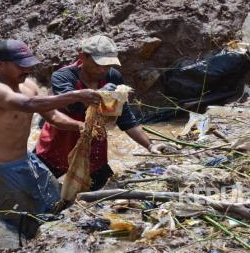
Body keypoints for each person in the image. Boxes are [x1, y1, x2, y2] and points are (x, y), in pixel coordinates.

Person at [0, 39, 100, 238]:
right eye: (20, 66)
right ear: (0, 64)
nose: (26, 70)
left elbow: (53, 117)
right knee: (20, 228)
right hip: (4, 171)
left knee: (58, 206)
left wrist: (82, 127)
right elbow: (28, 105)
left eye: (28, 65)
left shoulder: (28, 85)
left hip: (29, 162)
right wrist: (76, 95)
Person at [35, 35, 171, 190]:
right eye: (98, 65)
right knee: (36, 192)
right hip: (59, 147)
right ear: (82, 57)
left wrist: (150, 146)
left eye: (107, 66)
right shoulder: (63, 77)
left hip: (94, 149)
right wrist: (100, 94)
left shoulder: (113, 76)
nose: (102, 70)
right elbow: (74, 106)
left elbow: (124, 117)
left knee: (103, 190)